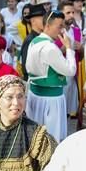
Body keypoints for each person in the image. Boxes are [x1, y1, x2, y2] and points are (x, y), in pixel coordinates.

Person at [25, 10, 76, 142]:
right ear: (47, 26)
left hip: (35, 94)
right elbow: (71, 70)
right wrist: (69, 48)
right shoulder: (50, 48)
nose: (62, 30)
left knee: (35, 136)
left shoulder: (34, 41)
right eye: (59, 26)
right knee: (52, 137)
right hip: (51, 99)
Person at [19, 4, 46, 80]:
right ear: (33, 20)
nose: (45, 21)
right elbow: (25, 68)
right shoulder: (30, 40)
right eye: (42, 18)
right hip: (33, 84)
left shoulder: (43, 37)